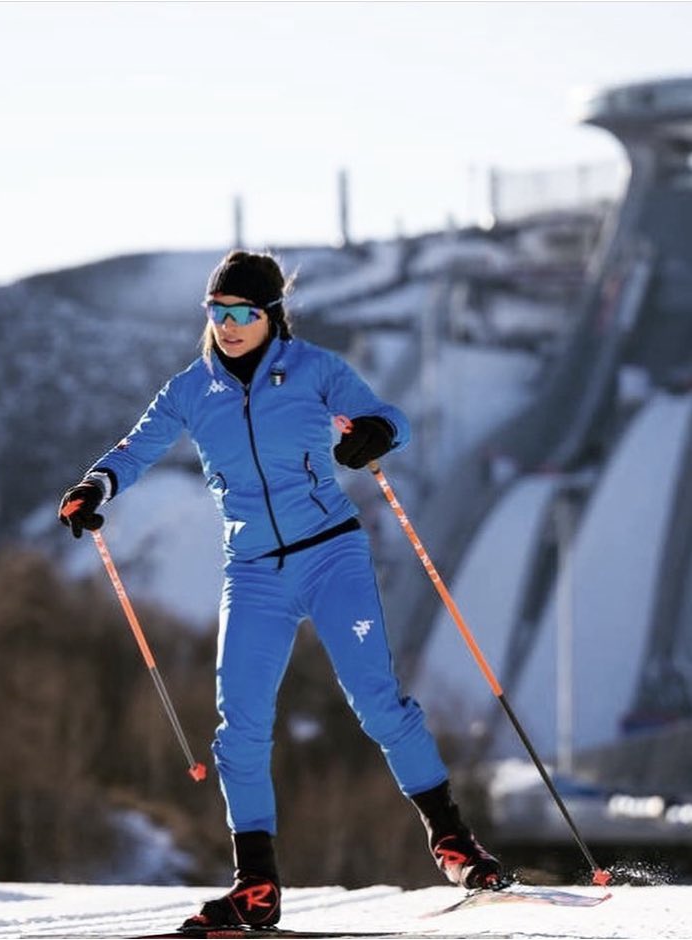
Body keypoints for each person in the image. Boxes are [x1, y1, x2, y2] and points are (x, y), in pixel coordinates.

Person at [58, 250, 503, 929]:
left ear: (271, 316)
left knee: (379, 704)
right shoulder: (191, 388)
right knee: (239, 727)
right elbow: (134, 448)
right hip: (255, 571)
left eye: (244, 313)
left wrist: (376, 432)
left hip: (333, 558)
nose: (229, 326)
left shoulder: (314, 368)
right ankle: (256, 886)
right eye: (218, 313)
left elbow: (389, 416)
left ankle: (453, 843)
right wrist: (95, 486)